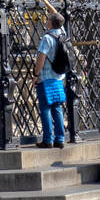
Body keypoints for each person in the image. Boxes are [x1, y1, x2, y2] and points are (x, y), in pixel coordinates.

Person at [35, 9, 67, 150]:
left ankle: (48, 140)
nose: (46, 20)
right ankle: (60, 139)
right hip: (58, 78)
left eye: (48, 19)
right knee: (57, 108)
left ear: (51, 23)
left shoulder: (47, 38)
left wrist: (36, 74)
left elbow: (41, 57)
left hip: (46, 78)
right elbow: (59, 17)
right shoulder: (62, 34)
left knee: (46, 109)